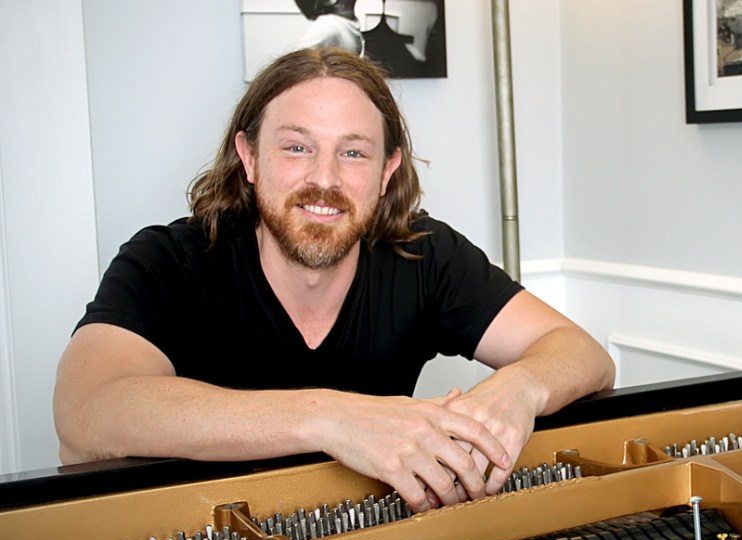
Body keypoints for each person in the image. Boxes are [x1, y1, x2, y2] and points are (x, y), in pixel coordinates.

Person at [54, 47, 615, 514]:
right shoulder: (169, 259)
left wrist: (517, 389)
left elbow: (584, 356)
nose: (324, 179)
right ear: (248, 157)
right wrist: (331, 418)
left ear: (386, 171)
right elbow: (88, 414)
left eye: (353, 153)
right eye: (296, 147)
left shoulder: (424, 254)